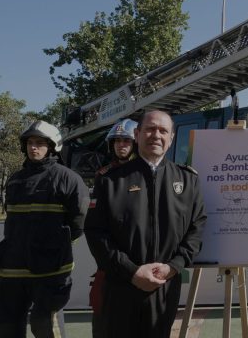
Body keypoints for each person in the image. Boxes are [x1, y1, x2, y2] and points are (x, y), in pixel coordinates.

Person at [84, 110, 207, 338]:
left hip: (165, 285)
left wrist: (173, 267)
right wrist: (132, 272)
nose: (156, 135)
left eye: (163, 131)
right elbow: (95, 232)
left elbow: (196, 229)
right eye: (150, 129)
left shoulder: (188, 180)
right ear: (138, 134)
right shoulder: (110, 180)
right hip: (120, 284)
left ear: (171, 139)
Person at [0, 120, 89, 337]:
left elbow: (78, 222)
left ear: (52, 146)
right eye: (30, 143)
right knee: (4, 327)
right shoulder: (15, 180)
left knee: (44, 325)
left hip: (50, 269)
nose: (33, 147)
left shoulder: (68, 179)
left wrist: (58, 245)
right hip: (12, 268)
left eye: (40, 143)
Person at [89, 118, 138, 338]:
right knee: (103, 316)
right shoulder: (103, 175)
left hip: (141, 257)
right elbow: (95, 223)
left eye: (126, 140)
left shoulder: (147, 172)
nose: (121, 145)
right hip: (111, 257)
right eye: (117, 141)